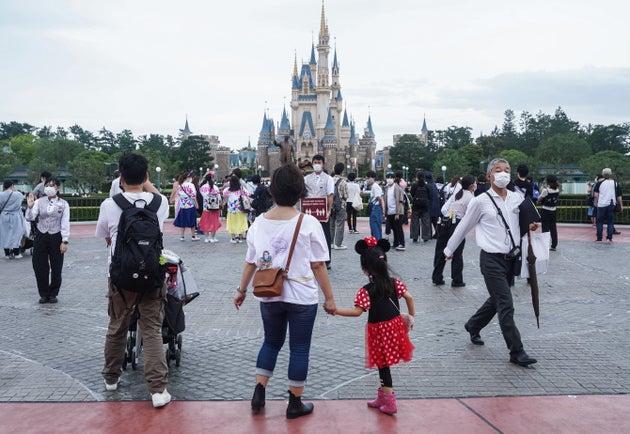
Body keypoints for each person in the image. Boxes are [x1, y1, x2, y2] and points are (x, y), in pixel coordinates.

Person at [233, 163, 336, 420]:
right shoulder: (309, 223)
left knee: (271, 342)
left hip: (269, 293)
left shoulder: (258, 223)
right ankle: (294, 402)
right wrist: (330, 298)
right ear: (301, 191)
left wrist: (241, 290)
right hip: (301, 295)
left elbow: (251, 262)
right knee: (299, 348)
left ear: (272, 192)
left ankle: (259, 392)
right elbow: (318, 265)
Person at [444, 158, 539, 367]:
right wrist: (449, 249)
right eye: (498, 170)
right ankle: (517, 351)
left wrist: (531, 226)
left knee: (497, 300)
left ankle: (473, 324)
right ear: (489, 176)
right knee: (505, 303)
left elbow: (524, 225)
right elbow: (463, 226)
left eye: (507, 170)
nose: (503, 173)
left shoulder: (517, 199)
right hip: (491, 260)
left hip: (511, 258)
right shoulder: (480, 201)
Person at [95, 153, 171, 408]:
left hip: (120, 277)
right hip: (152, 276)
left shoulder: (110, 204)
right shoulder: (159, 204)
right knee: (151, 330)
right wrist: (148, 183)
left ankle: (111, 378)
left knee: (117, 326)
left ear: (120, 176)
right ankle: (158, 390)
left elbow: (104, 235)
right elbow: (158, 195)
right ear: (147, 176)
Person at [334, 237, 415, 415]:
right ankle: (382, 397)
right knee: (381, 364)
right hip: (394, 328)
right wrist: (411, 316)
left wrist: (336, 311)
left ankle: (390, 401)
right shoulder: (395, 283)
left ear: (365, 269)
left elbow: (357, 312)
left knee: (383, 364)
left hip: (379, 331)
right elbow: (409, 297)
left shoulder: (366, 290)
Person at [25, 177, 70, 303]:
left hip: (56, 236)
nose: (49, 188)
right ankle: (43, 293)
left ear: (58, 188)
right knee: (39, 265)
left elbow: (65, 223)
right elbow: (31, 217)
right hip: (41, 234)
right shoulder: (39, 202)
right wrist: (29, 207)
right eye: (47, 185)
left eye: (52, 185)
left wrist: (65, 241)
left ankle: (53, 293)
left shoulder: (64, 204)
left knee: (57, 266)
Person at [432, 175, 476, 287]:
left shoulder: (456, 195)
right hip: (457, 225)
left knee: (440, 250)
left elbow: (444, 209)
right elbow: (470, 215)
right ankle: (457, 280)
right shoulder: (471, 198)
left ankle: (437, 277)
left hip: (445, 223)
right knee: (457, 253)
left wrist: (451, 215)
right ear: (471, 186)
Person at [304, 154, 334, 269]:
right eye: (315, 162)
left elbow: (330, 195)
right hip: (309, 213)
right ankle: (310, 258)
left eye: (319, 163)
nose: (317, 165)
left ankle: (327, 260)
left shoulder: (328, 179)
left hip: (322, 212)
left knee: (325, 236)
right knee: (309, 236)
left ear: (323, 164)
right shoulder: (306, 179)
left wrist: (329, 210)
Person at [593, 168, 623, 243]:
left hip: (601, 205)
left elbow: (596, 195)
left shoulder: (599, 183)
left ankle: (599, 238)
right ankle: (609, 238)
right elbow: (619, 196)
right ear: (611, 174)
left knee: (599, 222)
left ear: (603, 174)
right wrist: (621, 205)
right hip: (611, 204)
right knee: (610, 222)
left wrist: (597, 203)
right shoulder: (615, 183)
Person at [1, 180, 26, 259]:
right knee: (16, 234)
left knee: (5, 234)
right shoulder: (18, 194)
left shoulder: (0, 194)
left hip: (4, 216)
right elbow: (23, 197)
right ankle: (16, 253)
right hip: (15, 216)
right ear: (12, 185)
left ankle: (7, 254)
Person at [173, 171, 200, 241]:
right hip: (191, 205)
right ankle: (193, 236)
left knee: (183, 222)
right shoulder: (191, 185)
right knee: (192, 221)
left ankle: (182, 236)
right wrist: (196, 204)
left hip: (183, 206)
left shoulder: (180, 185)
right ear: (188, 177)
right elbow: (194, 196)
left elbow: (178, 195)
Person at [223, 175, 250, 243]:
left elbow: (224, 197)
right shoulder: (241, 189)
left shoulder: (227, 190)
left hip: (231, 210)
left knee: (232, 223)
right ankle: (240, 237)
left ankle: (233, 238)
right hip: (241, 209)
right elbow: (248, 194)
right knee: (241, 222)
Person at [383, 172, 405, 251]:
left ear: (394, 179)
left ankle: (402, 243)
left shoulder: (397, 188)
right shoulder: (387, 188)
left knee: (399, 228)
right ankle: (396, 243)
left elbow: (400, 201)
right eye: (388, 177)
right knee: (394, 228)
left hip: (397, 212)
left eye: (391, 177)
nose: (389, 179)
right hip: (390, 212)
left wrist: (397, 213)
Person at [538, 174, 560, 251]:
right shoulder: (557, 190)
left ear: (548, 182)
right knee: (553, 228)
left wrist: (541, 190)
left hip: (545, 211)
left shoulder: (546, 190)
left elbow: (539, 199)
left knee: (545, 228)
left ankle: (545, 244)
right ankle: (554, 245)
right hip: (553, 211)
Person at [198, 173, 222, 243]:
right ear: (212, 178)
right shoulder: (215, 187)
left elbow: (202, 195)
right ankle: (212, 237)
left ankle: (206, 238)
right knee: (214, 222)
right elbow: (219, 198)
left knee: (206, 223)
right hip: (214, 207)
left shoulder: (202, 188)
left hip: (206, 207)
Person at [409, 171, 431, 243]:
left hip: (416, 206)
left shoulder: (414, 186)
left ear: (417, 177)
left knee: (415, 222)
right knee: (425, 222)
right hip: (425, 207)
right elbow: (430, 196)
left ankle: (414, 236)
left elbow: (411, 195)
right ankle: (426, 237)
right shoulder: (427, 186)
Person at [330, 163, 349, 250]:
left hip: (330, 205)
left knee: (331, 224)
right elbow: (346, 195)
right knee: (340, 224)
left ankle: (330, 243)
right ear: (342, 171)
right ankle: (338, 244)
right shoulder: (343, 181)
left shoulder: (329, 180)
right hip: (340, 205)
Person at [365, 171, 384, 241]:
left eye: (369, 178)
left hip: (376, 208)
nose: (367, 179)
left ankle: (377, 242)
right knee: (374, 227)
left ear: (373, 178)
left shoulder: (375, 187)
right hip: (375, 208)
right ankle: (375, 242)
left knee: (375, 227)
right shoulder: (374, 186)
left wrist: (383, 210)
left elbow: (379, 198)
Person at [425, 172, 441, 239]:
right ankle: (437, 234)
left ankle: (429, 234)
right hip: (436, 206)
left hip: (430, 205)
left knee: (428, 221)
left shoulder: (428, 185)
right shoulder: (434, 185)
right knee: (435, 221)